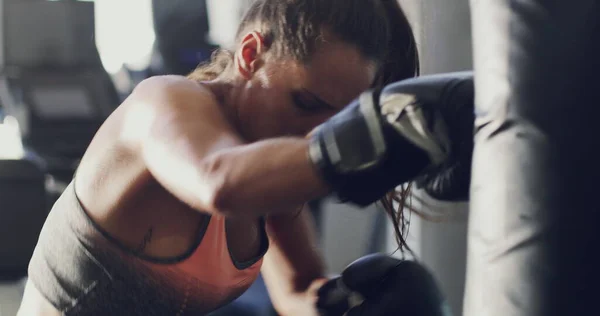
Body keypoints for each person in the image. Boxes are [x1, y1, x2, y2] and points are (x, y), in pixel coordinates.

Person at [18, 0, 421, 315]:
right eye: (306, 102)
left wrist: (344, 302)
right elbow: (219, 182)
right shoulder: (164, 101)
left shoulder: (269, 161)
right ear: (251, 54)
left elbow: (297, 291)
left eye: (341, 122)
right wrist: (357, 145)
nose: (315, 133)